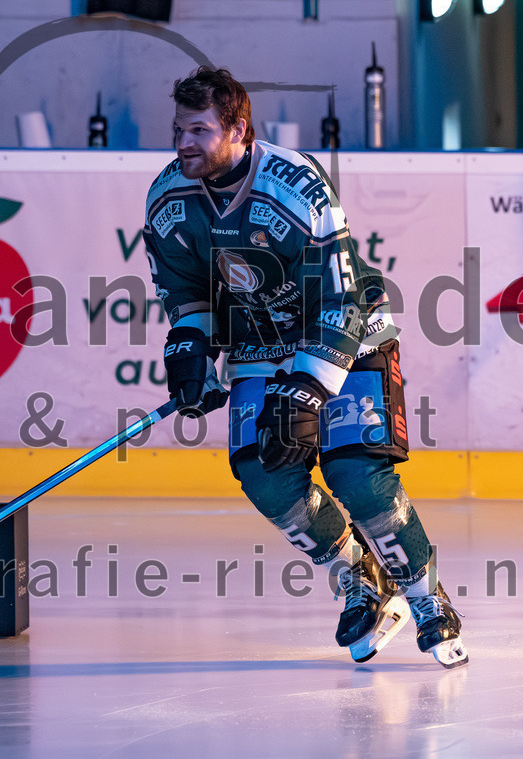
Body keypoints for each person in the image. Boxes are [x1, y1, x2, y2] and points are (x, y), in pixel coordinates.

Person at [143, 66, 468, 669]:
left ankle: (427, 597)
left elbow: (339, 298)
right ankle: (359, 579)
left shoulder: (295, 186)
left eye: (198, 130)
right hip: (260, 343)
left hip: (348, 332)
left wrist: (309, 389)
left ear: (238, 129)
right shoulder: (167, 200)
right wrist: (188, 349)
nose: (183, 143)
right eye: (178, 130)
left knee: (356, 476)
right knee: (265, 475)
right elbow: (189, 295)